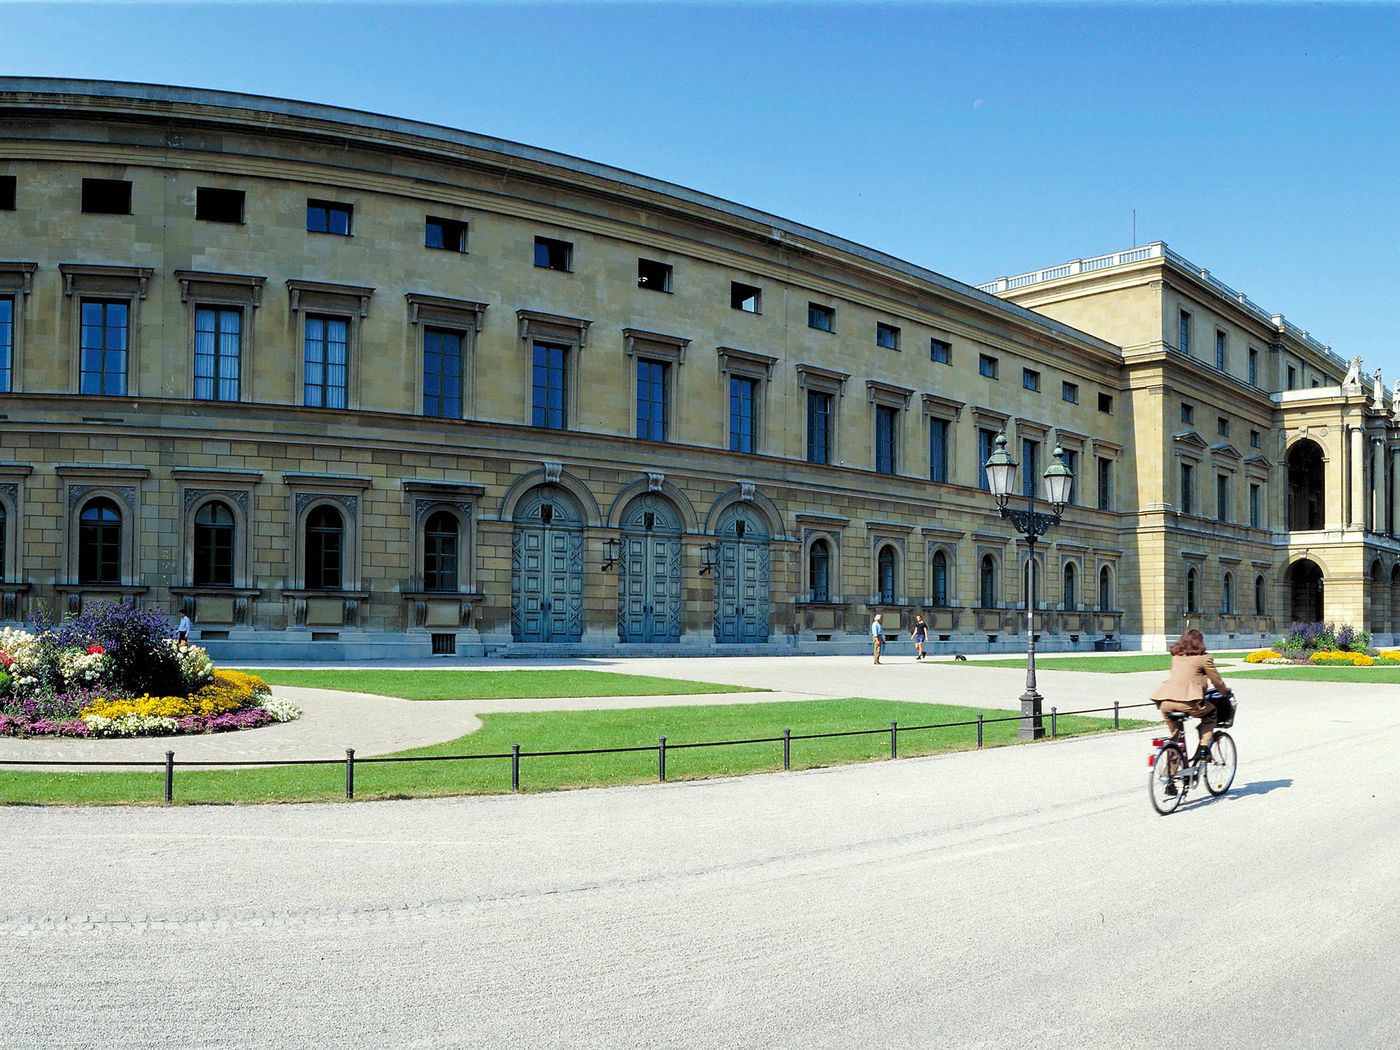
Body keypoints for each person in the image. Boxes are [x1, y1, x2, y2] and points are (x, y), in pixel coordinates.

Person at [1150, 628, 1230, 760]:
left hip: (1166, 703)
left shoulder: (1176, 657)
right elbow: (1217, 681)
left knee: (1176, 739)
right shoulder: (1204, 659)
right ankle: (1204, 747)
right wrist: (1225, 692)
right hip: (1189, 702)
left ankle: (1170, 775)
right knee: (1211, 713)